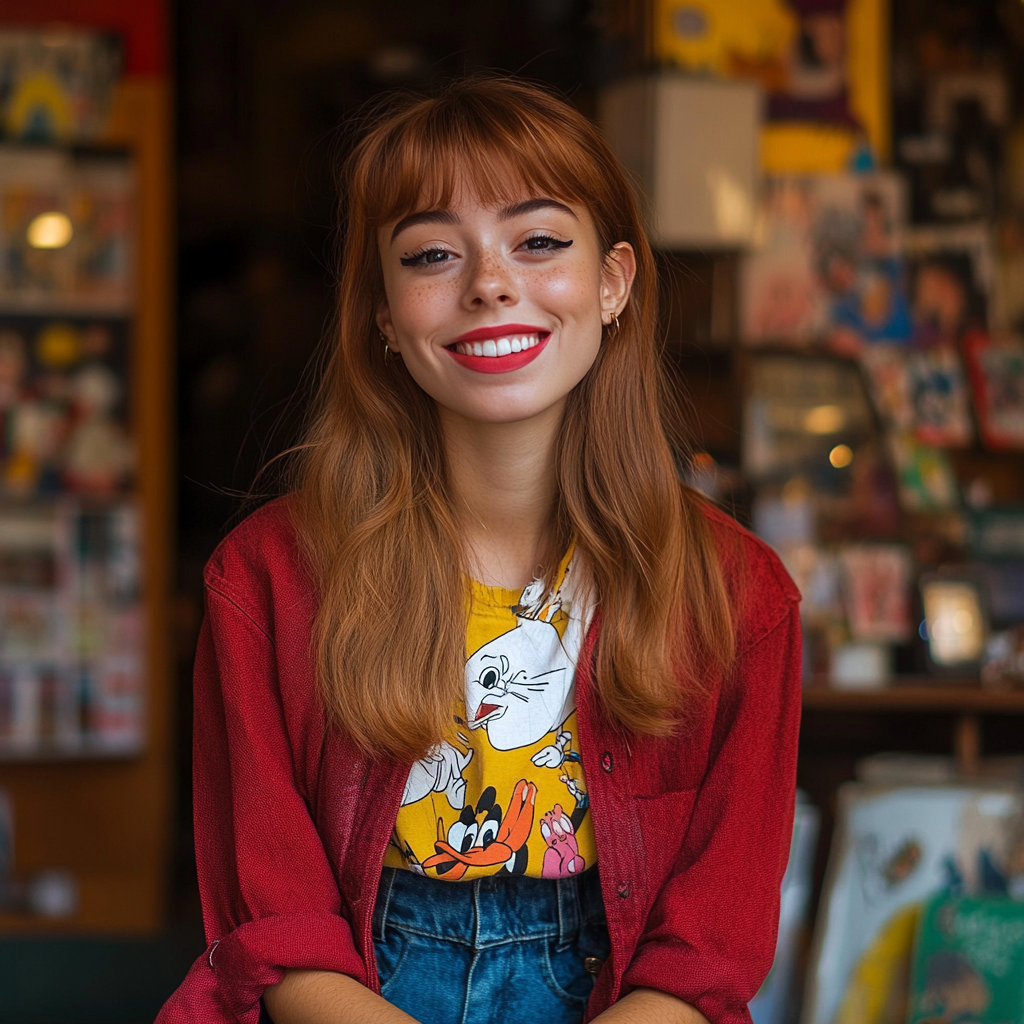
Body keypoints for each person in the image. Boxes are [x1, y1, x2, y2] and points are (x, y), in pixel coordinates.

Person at [157, 77, 801, 1024]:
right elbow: (278, 930)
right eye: (430, 254)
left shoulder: (740, 595)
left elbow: (708, 952)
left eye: (539, 241)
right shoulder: (264, 579)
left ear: (613, 282)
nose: (490, 283)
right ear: (383, 313)